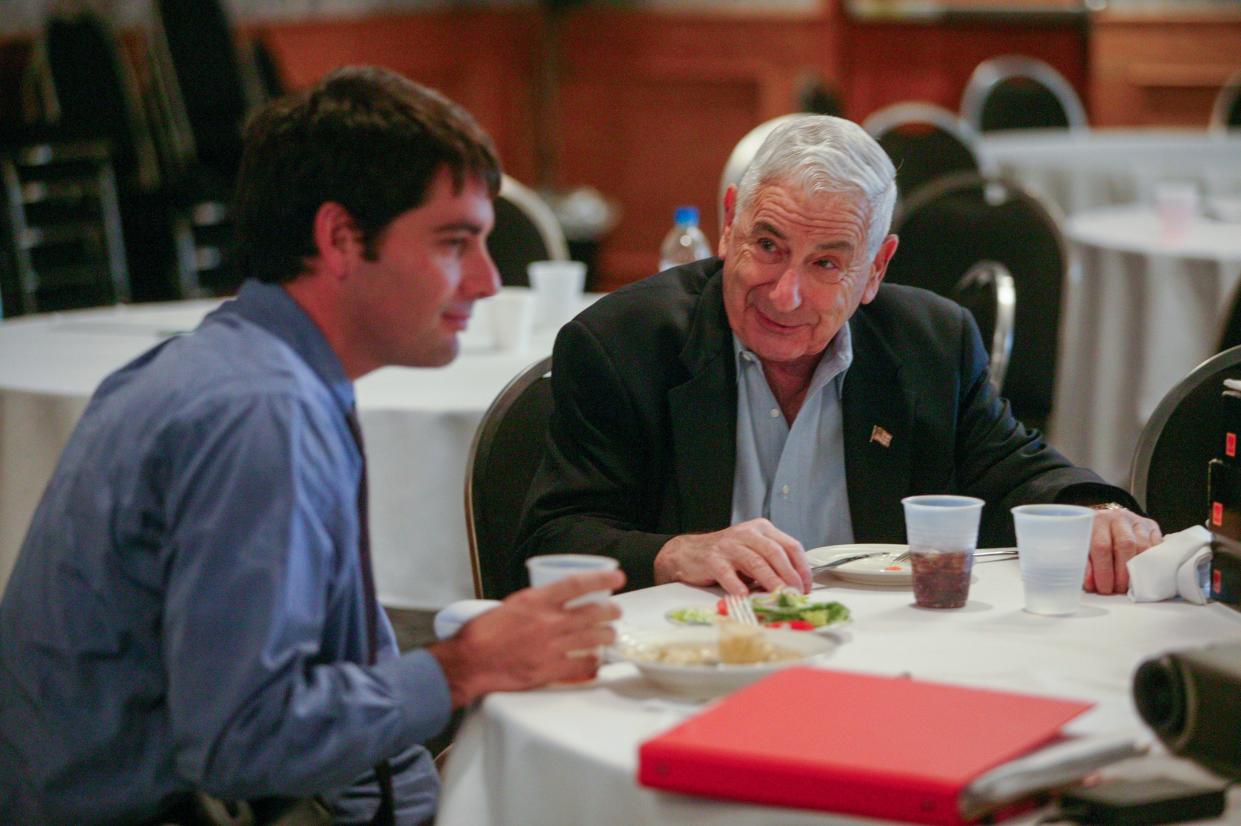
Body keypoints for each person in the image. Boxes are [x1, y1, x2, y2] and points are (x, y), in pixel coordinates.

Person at [0, 66, 622, 826]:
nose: (488, 283)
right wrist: (464, 667)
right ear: (339, 238)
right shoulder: (259, 414)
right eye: (456, 243)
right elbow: (241, 741)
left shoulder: (232, 364)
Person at [513, 114, 1159, 599]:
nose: (785, 292)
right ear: (729, 221)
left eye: (826, 263)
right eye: (766, 245)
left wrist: (1097, 513)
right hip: (697, 661)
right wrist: (674, 553)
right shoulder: (622, 346)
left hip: (881, 664)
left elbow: (1016, 470)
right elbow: (553, 538)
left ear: (875, 270)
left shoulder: (930, 344)